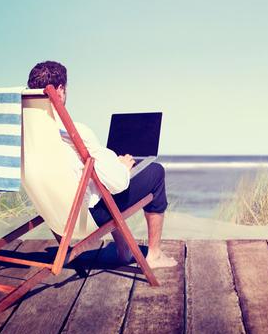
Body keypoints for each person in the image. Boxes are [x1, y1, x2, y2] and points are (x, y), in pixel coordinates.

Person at [27, 61, 177, 268]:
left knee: (99, 180)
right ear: (60, 90)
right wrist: (123, 167)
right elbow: (117, 184)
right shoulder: (74, 132)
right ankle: (154, 255)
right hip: (86, 219)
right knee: (155, 172)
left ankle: (124, 249)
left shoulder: (28, 138)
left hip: (54, 213)